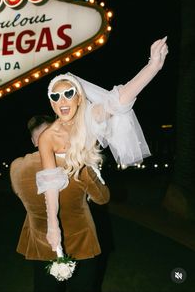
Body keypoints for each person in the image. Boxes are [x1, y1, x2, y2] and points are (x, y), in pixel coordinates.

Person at [35, 36, 169, 290]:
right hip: (53, 208)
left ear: (78, 97)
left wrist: (153, 65)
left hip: (82, 207)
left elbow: (120, 99)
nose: (63, 100)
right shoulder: (47, 138)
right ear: (51, 102)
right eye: (56, 96)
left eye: (68, 93)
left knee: (86, 278)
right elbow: (50, 186)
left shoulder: (90, 118)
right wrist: (52, 226)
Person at [10, 115, 110, 292]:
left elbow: (22, 195)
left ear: (34, 141)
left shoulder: (17, 167)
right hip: (81, 245)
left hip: (41, 244)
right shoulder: (78, 166)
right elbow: (102, 198)